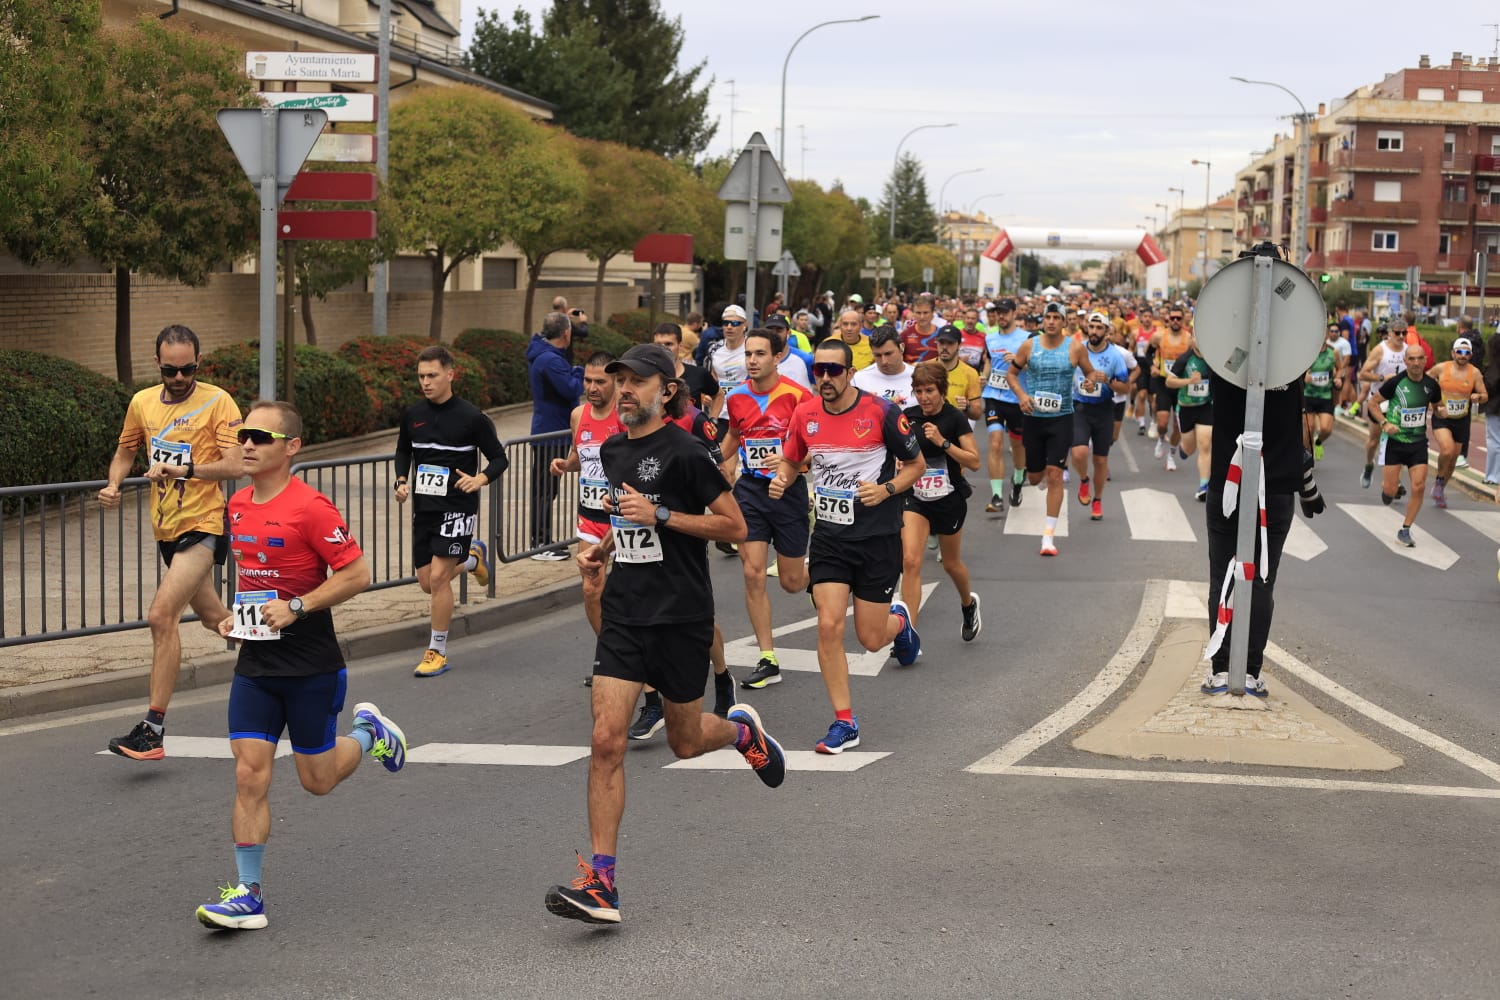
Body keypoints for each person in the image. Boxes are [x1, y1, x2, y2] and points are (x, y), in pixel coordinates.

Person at [545, 345, 785, 925]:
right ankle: (602, 882)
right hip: (627, 613)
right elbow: (626, 516)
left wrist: (664, 518)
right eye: (618, 380)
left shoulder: (686, 451)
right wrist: (599, 552)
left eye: (635, 381)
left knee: (683, 741)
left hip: (680, 615)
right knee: (606, 739)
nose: (623, 390)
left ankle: (738, 732)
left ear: (666, 390)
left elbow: (735, 524)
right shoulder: (612, 448)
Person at [195, 400, 404, 931]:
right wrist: (230, 618)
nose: (247, 444)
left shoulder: (312, 507)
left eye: (261, 437)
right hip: (256, 663)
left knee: (317, 780)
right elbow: (250, 579)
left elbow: (356, 574)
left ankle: (367, 731)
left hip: (311, 663)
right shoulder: (236, 503)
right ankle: (247, 893)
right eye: (244, 435)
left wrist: (297, 606)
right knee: (249, 775)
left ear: (291, 448)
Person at [772, 339, 923, 754]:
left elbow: (916, 466)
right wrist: (783, 476)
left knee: (872, 639)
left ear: (850, 373)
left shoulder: (881, 412)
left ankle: (900, 624)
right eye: (818, 369)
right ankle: (844, 722)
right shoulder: (805, 414)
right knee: (828, 625)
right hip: (830, 539)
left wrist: (887, 488)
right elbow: (792, 457)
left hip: (876, 539)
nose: (824, 378)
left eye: (833, 371)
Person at [102, 324, 243, 761]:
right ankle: (283, 648)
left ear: (198, 362)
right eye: (170, 370)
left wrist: (185, 471)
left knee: (162, 617)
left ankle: (152, 729)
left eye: (188, 369)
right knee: (215, 617)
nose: (179, 377)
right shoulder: (142, 402)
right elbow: (127, 449)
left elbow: (236, 463)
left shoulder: (218, 401)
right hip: (165, 528)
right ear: (157, 363)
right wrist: (113, 484)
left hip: (203, 525)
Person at [1202, 315, 1325, 698]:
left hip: (1230, 484)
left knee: (1223, 574)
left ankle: (1222, 670)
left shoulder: (1226, 365)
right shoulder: (1294, 368)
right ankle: (1251, 672)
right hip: (1276, 488)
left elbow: (1205, 336)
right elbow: (1311, 337)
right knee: (1262, 579)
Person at [394, 346, 507, 678]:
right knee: (427, 582)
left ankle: (437, 650)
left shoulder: (472, 417)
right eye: (421, 376)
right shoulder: (412, 413)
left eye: (432, 376)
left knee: (441, 578)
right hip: (424, 508)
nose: (426, 383)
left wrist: (481, 478)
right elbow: (403, 450)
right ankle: (473, 558)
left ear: (450, 375)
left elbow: (500, 457)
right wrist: (401, 479)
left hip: (457, 507)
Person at [717, 327, 813, 690]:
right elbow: (733, 439)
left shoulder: (798, 396)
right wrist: (706, 462)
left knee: (791, 583)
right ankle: (768, 658)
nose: (752, 361)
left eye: (760, 354)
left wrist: (791, 464)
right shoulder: (737, 397)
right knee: (753, 572)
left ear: (777, 357)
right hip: (751, 493)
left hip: (787, 493)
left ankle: (812, 574)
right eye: (748, 354)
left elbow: (813, 446)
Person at [1006, 303, 1100, 556]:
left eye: (1056, 317)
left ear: (1064, 322)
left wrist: (1090, 384)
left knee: (1055, 475)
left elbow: (1090, 374)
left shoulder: (1074, 347)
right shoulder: (1030, 345)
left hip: (1062, 418)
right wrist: (1022, 396)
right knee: (1036, 477)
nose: (1051, 321)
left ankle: (1048, 537)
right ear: (1042, 321)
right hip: (1034, 418)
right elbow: (1011, 374)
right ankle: (1038, 476)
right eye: (1048, 317)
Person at [900, 362, 982, 640]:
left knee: (951, 564)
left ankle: (968, 604)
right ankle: (908, 633)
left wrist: (944, 442)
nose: (924, 397)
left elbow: (975, 462)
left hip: (949, 499)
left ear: (941, 390)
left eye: (930, 391)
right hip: (916, 499)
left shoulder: (953, 418)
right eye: (919, 391)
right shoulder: (908, 417)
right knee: (910, 561)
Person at [549, 351, 623, 638]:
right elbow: (580, 456)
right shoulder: (578, 415)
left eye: (600, 382)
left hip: (623, 518)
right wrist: (566, 465)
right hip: (589, 516)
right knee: (591, 589)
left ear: (616, 381)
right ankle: (609, 654)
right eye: (587, 380)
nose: (592, 388)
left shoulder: (625, 416)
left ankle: (633, 655)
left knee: (628, 592)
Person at [526, 312, 584, 559]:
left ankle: (542, 540)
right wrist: (580, 372)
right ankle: (541, 543)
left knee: (545, 489)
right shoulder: (550, 360)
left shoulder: (545, 356)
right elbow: (571, 389)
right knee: (545, 489)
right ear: (566, 333)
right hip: (550, 434)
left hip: (549, 430)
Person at [1374, 345, 1441, 547]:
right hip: (1395, 443)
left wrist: (1442, 412)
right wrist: (1384, 423)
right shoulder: (1395, 383)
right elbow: (1373, 404)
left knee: (1419, 486)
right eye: (1411, 358)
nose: (1416, 362)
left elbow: (1438, 406)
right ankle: (1388, 489)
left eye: (1420, 358)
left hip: (1418, 444)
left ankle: (1405, 529)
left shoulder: (1431, 385)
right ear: (1405, 361)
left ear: (1425, 361)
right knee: (1390, 491)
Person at [1070, 312, 1134, 519]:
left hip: (1104, 410)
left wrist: (1106, 381)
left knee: (1100, 461)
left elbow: (1125, 388)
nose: (1094, 331)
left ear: (1107, 332)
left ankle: (1097, 500)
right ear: (1087, 328)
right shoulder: (1077, 349)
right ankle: (1083, 479)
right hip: (1079, 407)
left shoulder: (1115, 356)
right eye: (1092, 327)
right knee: (1079, 453)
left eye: (1099, 328)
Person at [980, 298, 1030, 513]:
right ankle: (997, 495)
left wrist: (1020, 363)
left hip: (1017, 398)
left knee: (1018, 446)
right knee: (996, 443)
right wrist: (983, 376)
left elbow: (1034, 366)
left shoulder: (1027, 338)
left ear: (1014, 313)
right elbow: (989, 362)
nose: (1001, 316)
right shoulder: (990, 338)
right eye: (997, 312)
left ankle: (1018, 479)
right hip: (994, 396)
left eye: (1005, 312)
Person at [1427, 338, 1488, 508]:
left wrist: (1478, 397)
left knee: (1454, 459)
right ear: (1453, 353)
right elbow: (1425, 381)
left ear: (1471, 355)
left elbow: (1484, 395)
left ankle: (1440, 489)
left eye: (1466, 352)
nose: (1463, 355)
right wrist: (1432, 401)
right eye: (1459, 352)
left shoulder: (1474, 373)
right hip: (1442, 417)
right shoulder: (1441, 368)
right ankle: (1439, 479)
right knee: (1447, 450)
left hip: (1462, 420)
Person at [1358, 322, 1410, 488]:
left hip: (1398, 403)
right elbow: (1363, 374)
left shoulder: (1408, 351)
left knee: (1398, 441)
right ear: (1389, 333)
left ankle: (1396, 481)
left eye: (1404, 333)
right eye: (1397, 333)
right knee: (1374, 441)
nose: (1401, 336)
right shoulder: (1380, 350)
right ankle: (1368, 465)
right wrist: (1382, 379)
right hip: (1378, 401)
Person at [1164, 336, 1214, 502]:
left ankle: (1204, 485)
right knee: (1190, 448)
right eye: (1196, 337)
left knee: (1205, 443)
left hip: (1206, 406)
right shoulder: (1185, 359)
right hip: (1186, 408)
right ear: (1192, 340)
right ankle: (1183, 449)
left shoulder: (1212, 358)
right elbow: (1169, 382)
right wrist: (1189, 381)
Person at [1150, 307, 1191, 470]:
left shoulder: (1188, 338)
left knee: (1178, 427)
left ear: (1183, 320)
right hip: (1163, 382)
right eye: (1172, 318)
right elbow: (1147, 353)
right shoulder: (1159, 335)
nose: (1175, 321)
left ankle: (1171, 455)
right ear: (1168, 319)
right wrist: (1153, 366)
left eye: (1178, 318)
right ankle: (1161, 438)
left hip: (1180, 386)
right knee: (1162, 422)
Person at [1301, 321, 1346, 463]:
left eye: (1324, 333)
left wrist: (1338, 378)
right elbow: (1297, 371)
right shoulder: (1307, 351)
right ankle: (1308, 459)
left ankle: (1318, 442)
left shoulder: (1334, 352)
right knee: (1309, 429)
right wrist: (1304, 376)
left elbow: (1340, 368)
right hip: (1308, 395)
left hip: (1325, 395)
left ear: (1327, 335)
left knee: (1326, 429)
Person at [653, 322, 720, 414]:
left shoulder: (698, 374)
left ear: (680, 346)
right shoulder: (646, 376)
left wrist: (713, 421)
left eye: (668, 344)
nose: (663, 349)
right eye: (658, 345)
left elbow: (718, 395)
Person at [853, 326, 917, 408]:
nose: (884, 361)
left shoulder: (918, 376)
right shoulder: (858, 380)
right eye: (878, 355)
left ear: (902, 348)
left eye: (888, 354)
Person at [933, 326, 983, 422]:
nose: (944, 347)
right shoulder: (924, 368)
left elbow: (977, 414)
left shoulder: (970, 373)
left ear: (959, 345)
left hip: (954, 431)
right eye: (941, 343)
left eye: (950, 343)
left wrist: (967, 407)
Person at [707, 304, 750, 414]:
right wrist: (706, 396)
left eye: (735, 323)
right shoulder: (714, 349)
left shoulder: (752, 347)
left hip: (746, 411)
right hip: (720, 413)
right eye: (725, 323)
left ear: (745, 325)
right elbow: (711, 379)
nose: (729, 327)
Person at [899, 294, 944, 364]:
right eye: (918, 313)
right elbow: (898, 360)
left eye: (925, 313)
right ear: (913, 314)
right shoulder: (905, 335)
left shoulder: (942, 335)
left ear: (932, 313)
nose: (922, 317)